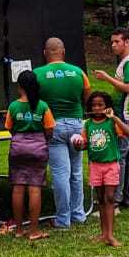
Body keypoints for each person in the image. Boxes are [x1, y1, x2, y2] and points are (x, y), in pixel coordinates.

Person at [34, 38, 90, 230]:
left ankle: (63, 219)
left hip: (53, 127)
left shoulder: (37, 74)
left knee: (60, 173)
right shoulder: (78, 72)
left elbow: (32, 101)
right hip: (76, 124)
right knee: (76, 171)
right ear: (63, 52)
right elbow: (87, 95)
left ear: (45, 53)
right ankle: (79, 214)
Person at [93, 28, 129, 208]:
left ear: (127, 42)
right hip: (126, 113)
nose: (113, 45)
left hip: (128, 114)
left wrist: (107, 78)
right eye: (112, 42)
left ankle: (114, 200)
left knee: (119, 155)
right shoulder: (126, 62)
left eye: (117, 41)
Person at [78, 91, 129, 248]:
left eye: (100, 105)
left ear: (107, 106)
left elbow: (128, 132)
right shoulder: (87, 125)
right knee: (101, 199)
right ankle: (103, 234)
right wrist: (78, 145)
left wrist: (114, 117)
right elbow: (84, 144)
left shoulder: (111, 123)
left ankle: (110, 235)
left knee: (109, 197)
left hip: (110, 165)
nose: (97, 108)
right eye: (94, 105)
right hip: (95, 165)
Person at [5, 70, 54, 241]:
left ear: (19, 87)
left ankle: (18, 229)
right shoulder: (43, 106)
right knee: (35, 189)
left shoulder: (13, 106)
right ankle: (33, 230)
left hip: (18, 147)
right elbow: (49, 129)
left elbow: (9, 127)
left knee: (18, 188)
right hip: (38, 147)